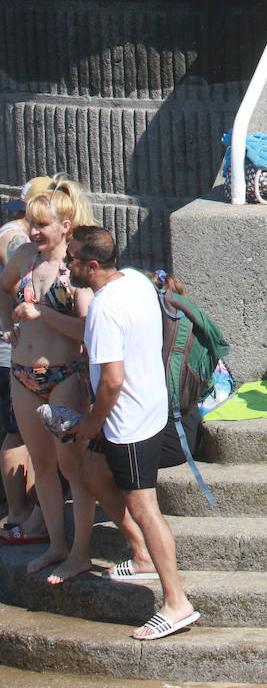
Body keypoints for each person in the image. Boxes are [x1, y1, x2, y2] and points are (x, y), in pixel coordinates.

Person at [69, 225, 199, 641]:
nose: (66, 265)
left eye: (71, 259)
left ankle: (176, 603)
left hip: (127, 424)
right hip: (146, 410)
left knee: (145, 509)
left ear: (91, 267)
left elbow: (111, 381)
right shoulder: (138, 281)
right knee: (90, 474)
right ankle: (141, 556)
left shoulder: (104, 309)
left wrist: (89, 424)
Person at [0, 176, 96, 581]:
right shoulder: (23, 257)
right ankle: (55, 543)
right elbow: (4, 290)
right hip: (23, 374)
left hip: (64, 375)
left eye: (42, 225)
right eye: (32, 224)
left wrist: (41, 314)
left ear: (65, 227)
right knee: (41, 464)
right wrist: (7, 326)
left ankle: (80, 551)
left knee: (71, 468)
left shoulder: (73, 269)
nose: (34, 231)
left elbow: (87, 330)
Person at [0, 180, 46, 544]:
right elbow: (10, 286)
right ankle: (19, 512)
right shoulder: (17, 242)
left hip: (18, 351)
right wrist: (9, 326)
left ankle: (27, 512)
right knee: (18, 431)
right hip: (13, 355)